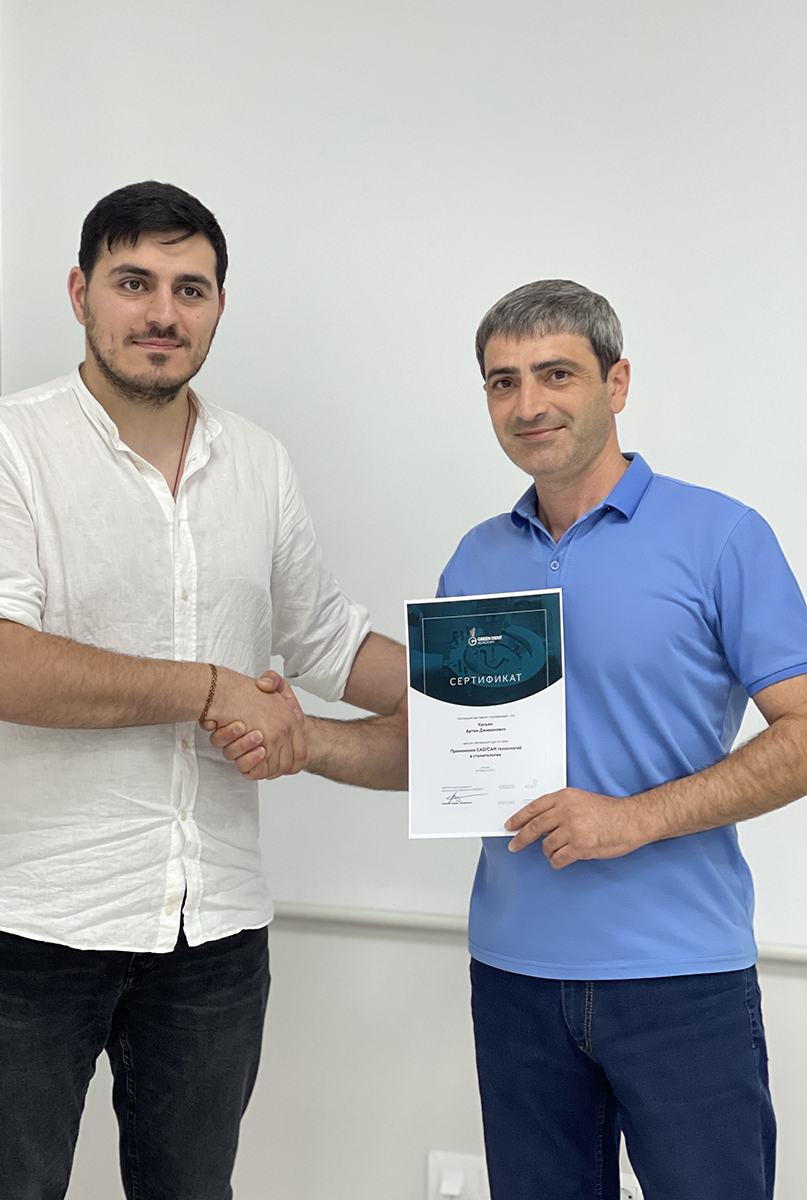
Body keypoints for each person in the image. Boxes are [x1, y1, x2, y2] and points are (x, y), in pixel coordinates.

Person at [215, 279, 807, 1199]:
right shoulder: (478, 559)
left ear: (616, 383)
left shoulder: (721, 537)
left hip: (680, 977)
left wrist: (634, 819)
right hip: (514, 979)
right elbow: (438, 747)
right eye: (503, 381)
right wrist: (308, 741)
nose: (528, 404)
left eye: (556, 374)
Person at [0, 180, 404, 1200]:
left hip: (210, 931)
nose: (162, 313)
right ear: (80, 293)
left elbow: (328, 640)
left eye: (191, 289)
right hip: (30, 924)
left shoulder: (258, 463)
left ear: (219, 306)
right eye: (133, 282)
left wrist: (502, 682)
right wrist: (212, 687)